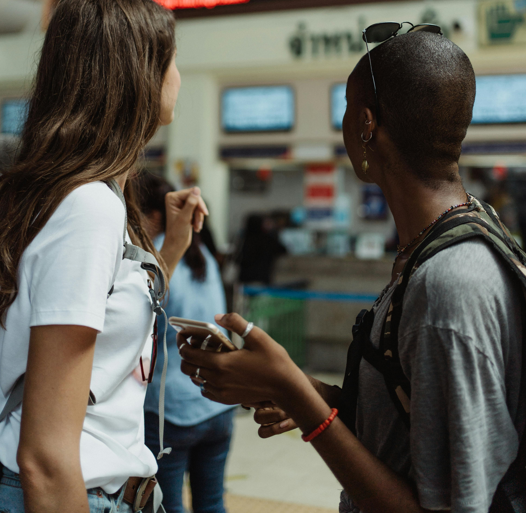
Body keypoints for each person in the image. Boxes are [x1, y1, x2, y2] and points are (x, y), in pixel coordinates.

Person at [179, 27, 526, 513]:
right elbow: (412, 422)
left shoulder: (448, 285)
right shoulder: (451, 240)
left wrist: (296, 394)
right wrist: (309, 392)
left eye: (346, 106)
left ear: (366, 124)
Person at [0, 0, 208, 513]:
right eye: (173, 59)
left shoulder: (82, 196)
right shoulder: (88, 207)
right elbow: (46, 455)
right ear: (139, 75)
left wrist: (172, 248)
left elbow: (108, 308)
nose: (179, 75)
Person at [136, 171, 236, 513]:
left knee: (169, 506)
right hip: (218, 404)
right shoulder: (202, 253)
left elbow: (138, 329)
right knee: (212, 503)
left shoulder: (156, 260)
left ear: (150, 216)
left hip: (172, 411)